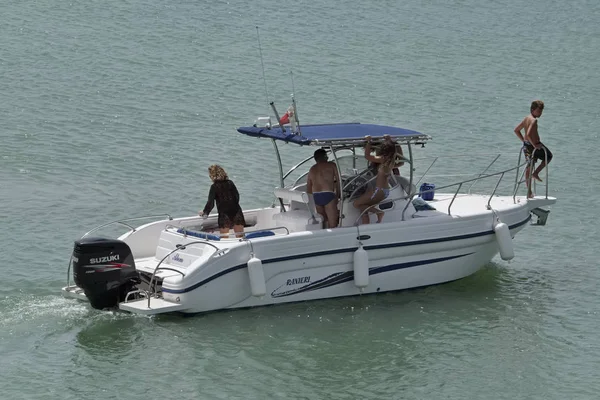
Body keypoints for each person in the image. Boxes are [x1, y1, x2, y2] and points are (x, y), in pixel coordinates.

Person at [514, 100, 553, 198]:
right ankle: (536, 173)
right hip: (534, 145)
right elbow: (528, 133)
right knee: (549, 156)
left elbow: (517, 130)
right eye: (538, 111)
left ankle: (529, 192)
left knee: (529, 167)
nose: (540, 113)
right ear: (532, 109)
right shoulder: (533, 120)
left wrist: (524, 141)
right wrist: (535, 145)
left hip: (527, 145)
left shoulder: (527, 118)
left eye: (541, 111)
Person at [353, 136, 396, 224]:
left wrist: (369, 142)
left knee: (356, 204)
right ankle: (366, 225)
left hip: (379, 191)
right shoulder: (391, 160)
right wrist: (388, 140)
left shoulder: (383, 159)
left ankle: (379, 213)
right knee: (364, 206)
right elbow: (393, 149)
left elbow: (367, 156)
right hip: (385, 191)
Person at [199, 165, 245, 238]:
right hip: (236, 212)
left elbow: (210, 203)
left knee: (224, 239)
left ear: (212, 175)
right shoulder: (230, 183)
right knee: (240, 238)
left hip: (224, 215)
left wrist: (205, 213)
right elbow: (237, 197)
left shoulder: (214, 187)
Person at [306, 148, 340, 228]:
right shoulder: (332, 165)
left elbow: (309, 188)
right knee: (333, 224)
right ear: (325, 156)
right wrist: (337, 195)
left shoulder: (312, 169)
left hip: (316, 196)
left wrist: (312, 202)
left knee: (323, 222)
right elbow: (339, 181)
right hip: (328, 194)